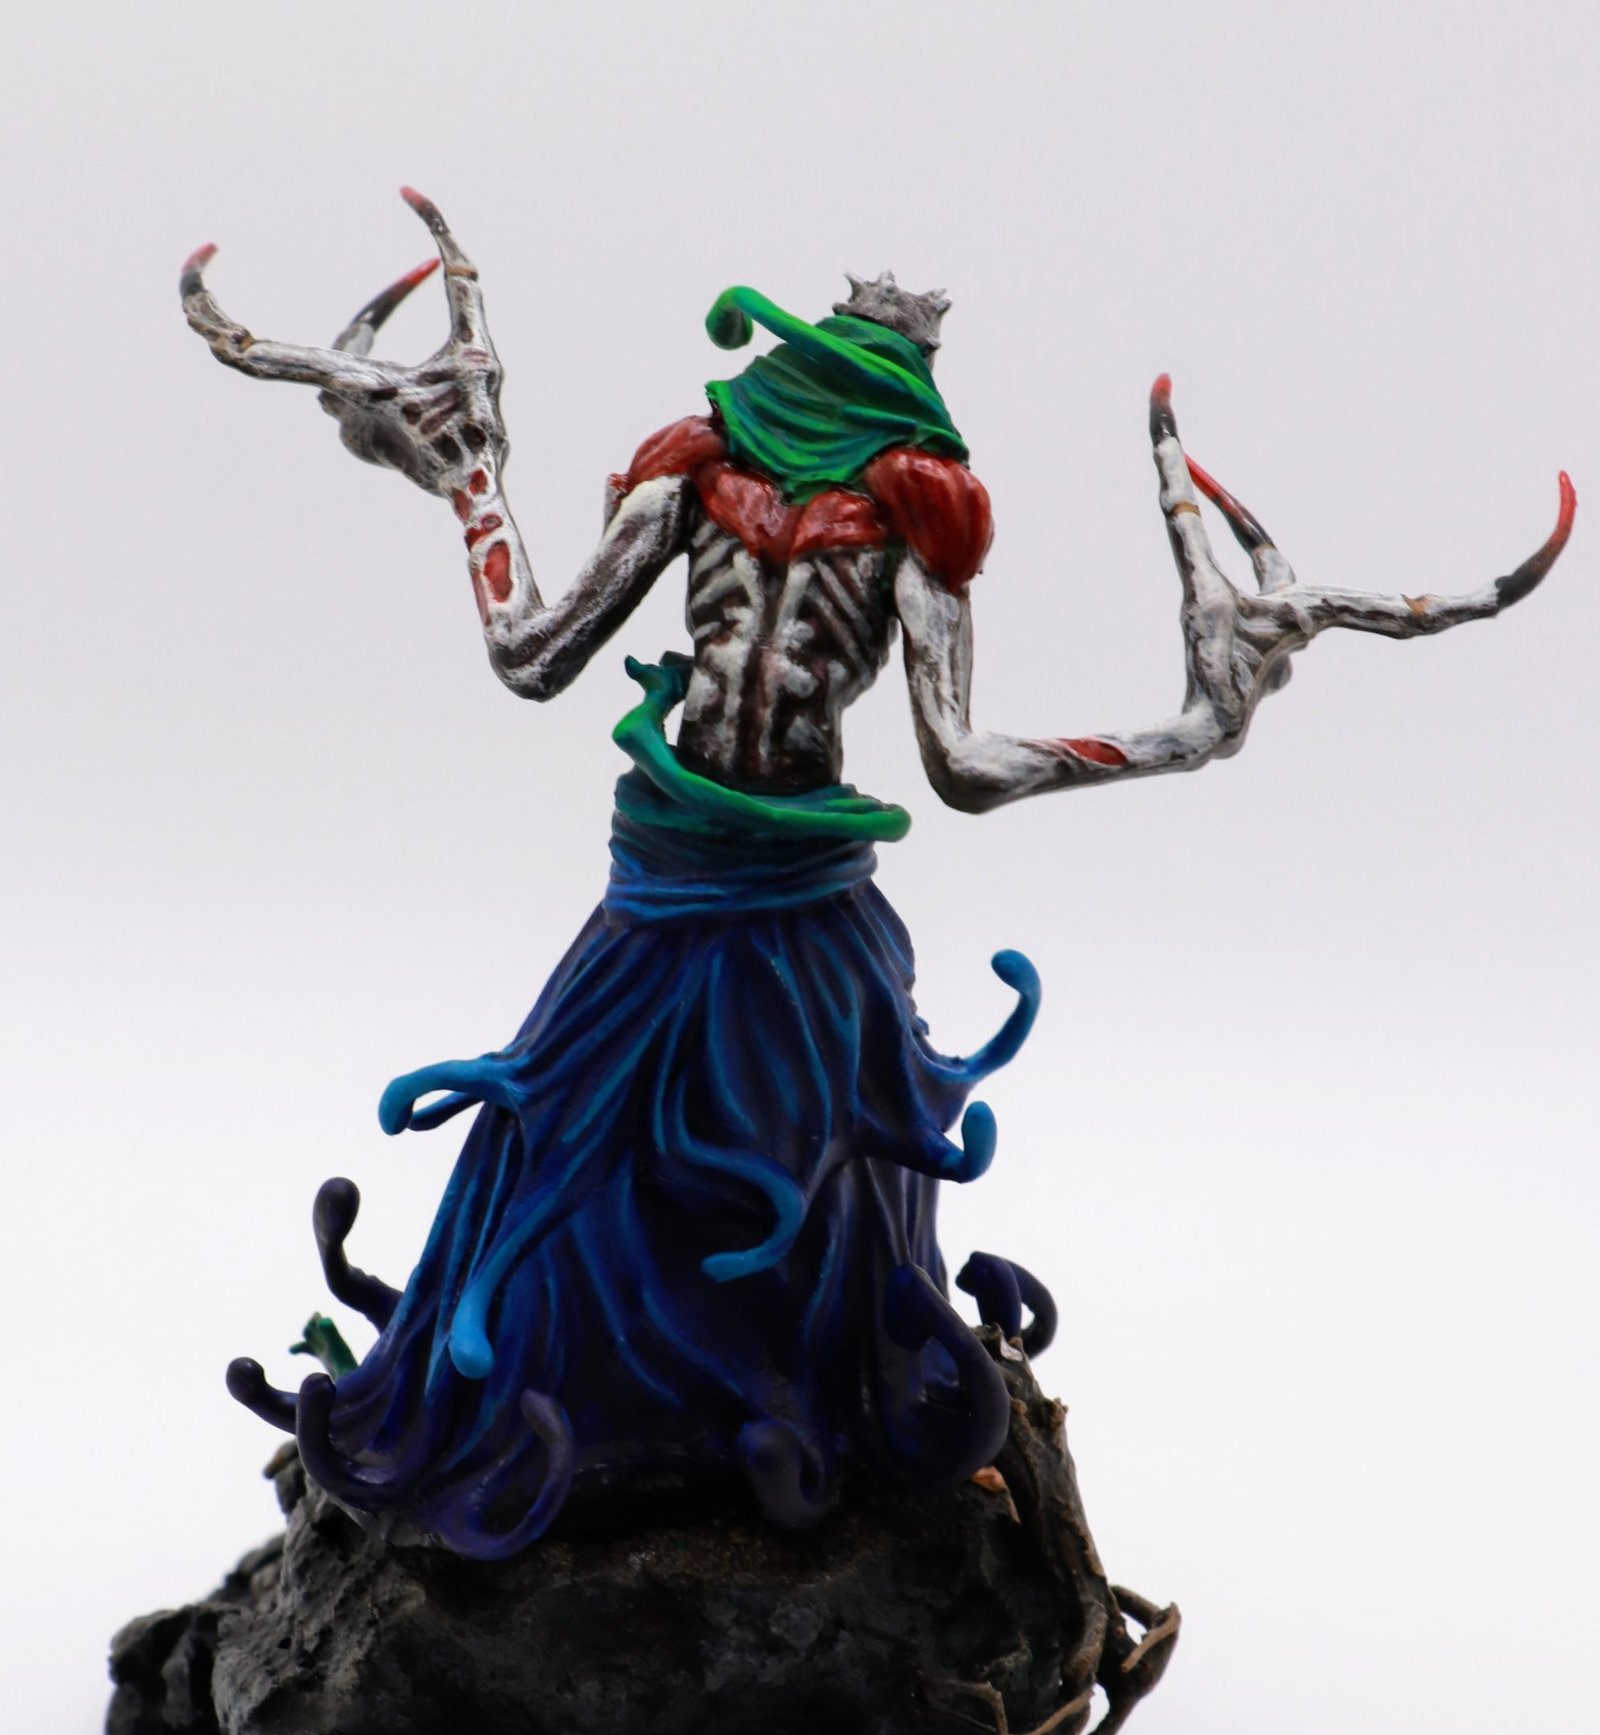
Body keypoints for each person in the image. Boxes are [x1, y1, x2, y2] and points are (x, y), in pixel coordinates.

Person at [187, 189, 1573, 1558]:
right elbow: (560, 661)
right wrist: (467, 470)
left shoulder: (886, 524)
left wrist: (1196, 728)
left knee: (807, 1178)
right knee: (586, 1154)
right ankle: (602, 1428)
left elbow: (930, 754)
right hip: (677, 881)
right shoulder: (710, 483)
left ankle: (788, 1430)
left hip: (792, 899)